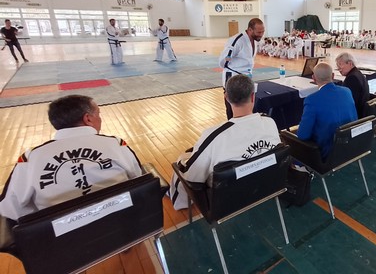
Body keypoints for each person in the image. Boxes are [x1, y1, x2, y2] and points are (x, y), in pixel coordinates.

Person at [0, 95, 142, 221]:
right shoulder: (115, 144)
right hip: (122, 219)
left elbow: (11, 209)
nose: (100, 118)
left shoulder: (31, 159)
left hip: (64, 240)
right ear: (88, 119)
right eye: (98, 114)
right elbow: (138, 178)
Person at [169, 74, 281, 210]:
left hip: (228, 198)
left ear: (226, 98)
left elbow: (191, 175)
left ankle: (180, 202)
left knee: (183, 160)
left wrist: (181, 164)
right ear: (253, 96)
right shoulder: (269, 122)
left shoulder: (215, 136)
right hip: (264, 185)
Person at [297, 62, 357, 159]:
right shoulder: (347, 91)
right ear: (333, 76)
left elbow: (303, 135)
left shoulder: (311, 100)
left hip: (327, 151)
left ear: (314, 78)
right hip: (350, 144)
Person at [218, 18, 265, 119]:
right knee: (232, 109)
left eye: (262, 32)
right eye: (258, 32)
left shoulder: (254, 40)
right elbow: (223, 61)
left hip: (246, 77)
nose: (261, 34)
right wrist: (232, 71)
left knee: (246, 107)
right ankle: (232, 129)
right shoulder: (237, 40)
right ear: (250, 29)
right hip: (233, 78)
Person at [335, 52, 369, 118]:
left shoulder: (352, 78)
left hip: (356, 115)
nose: (339, 69)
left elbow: (348, 102)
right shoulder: (357, 73)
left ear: (350, 63)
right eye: (337, 66)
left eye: (340, 65)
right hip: (362, 111)